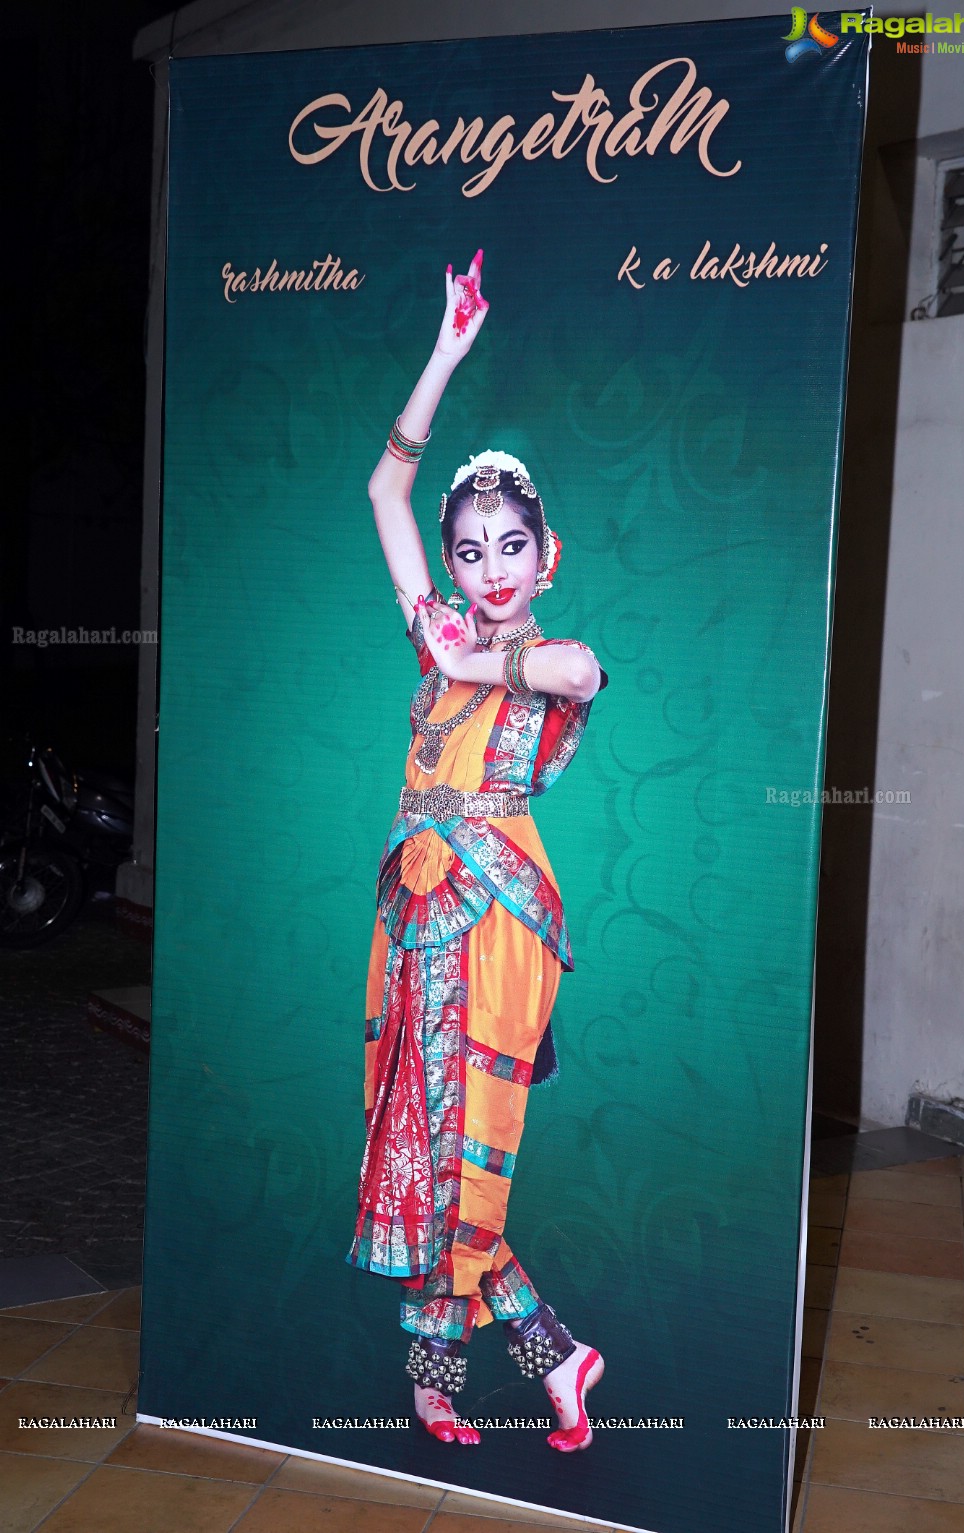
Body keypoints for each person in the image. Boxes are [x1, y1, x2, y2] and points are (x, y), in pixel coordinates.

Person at [347, 250, 605, 1452]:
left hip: (495, 917)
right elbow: (382, 498)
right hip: (410, 917)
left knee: (459, 1152)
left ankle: (437, 1375)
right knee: (417, 1140)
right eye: (471, 551)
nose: (489, 569)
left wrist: (460, 658)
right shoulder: (441, 642)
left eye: (511, 547)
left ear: (544, 557)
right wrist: (448, 348)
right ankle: (549, 1357)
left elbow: (576, 671)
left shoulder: (552, 663)